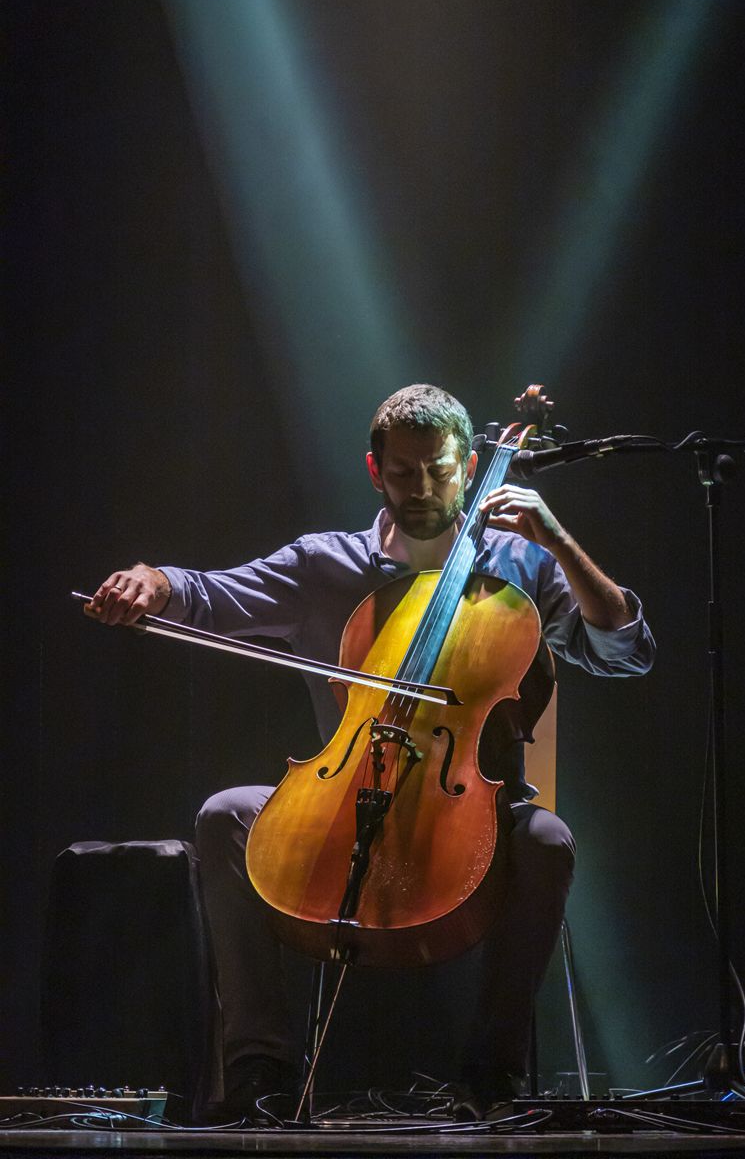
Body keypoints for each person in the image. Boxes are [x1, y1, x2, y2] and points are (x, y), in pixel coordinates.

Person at [89, 384, 654, 1118]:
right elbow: (208, 595)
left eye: (440, 471)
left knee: (546, 838)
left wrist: (559, 541)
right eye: (403, 472)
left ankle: (493, 1075)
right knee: (226, 814)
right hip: (345, 792)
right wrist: (153, 580)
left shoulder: (518, 564)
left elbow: (623, 653)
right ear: (373, 471)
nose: (422, 488)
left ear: (471, 464)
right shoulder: (324, 563)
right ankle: (259, 1072)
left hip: (469, 807)